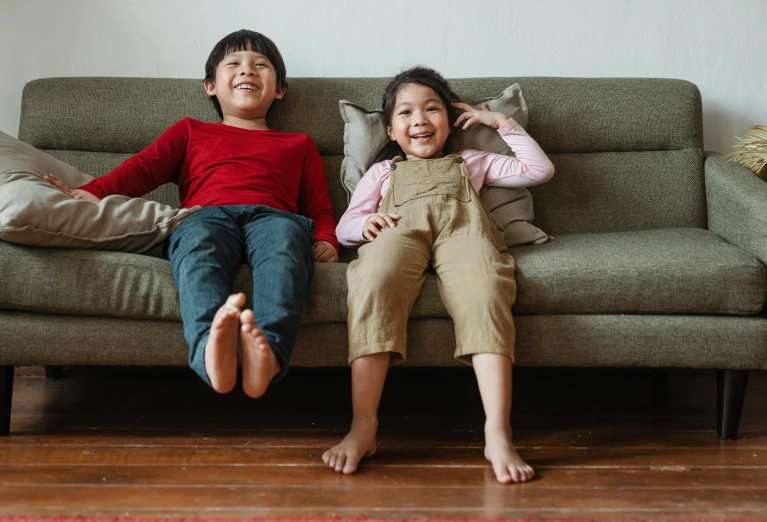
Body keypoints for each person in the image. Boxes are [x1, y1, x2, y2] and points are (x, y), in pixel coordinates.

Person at [45, 29, 339, 398]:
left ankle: (270, 358)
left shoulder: (299, 143)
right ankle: (208, 352)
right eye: (233, 64)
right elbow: (143, 169)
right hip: (206, 216)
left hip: (275, 219)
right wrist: (94, 191)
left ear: (279, 88)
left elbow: (319, 206)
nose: (247, 71)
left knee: (283, 249)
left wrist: (326, 237)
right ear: (210, 85)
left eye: (260, 65)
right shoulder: (190, 131)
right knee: (199, 248)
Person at [323, 66, 554, 483]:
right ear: (391, 130)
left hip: (464, 233)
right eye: (406, 113)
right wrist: (365, 226)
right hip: (397, 230)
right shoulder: (383, 172)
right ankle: (364, 426)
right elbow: (345, 226)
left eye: (432, 110)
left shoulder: (472, 161)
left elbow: (539, 170)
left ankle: (497, 432)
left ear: (450, 121)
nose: (420, 120)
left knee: (485, 289)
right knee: (373, 284)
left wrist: (500, 122)